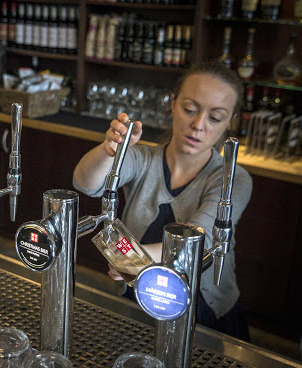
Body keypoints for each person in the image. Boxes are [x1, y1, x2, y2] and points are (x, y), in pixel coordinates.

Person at [73, 61, 253, 341]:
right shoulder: (143, 159)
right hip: (139, 302)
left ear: (230, 121)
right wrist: (111, 150)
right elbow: (85, 182)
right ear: (173, 103)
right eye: (190, 109)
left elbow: (199, 239)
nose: (198, 125)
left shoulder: (232, 178)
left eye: (215, 117)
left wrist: (132, 260)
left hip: (204, 312)